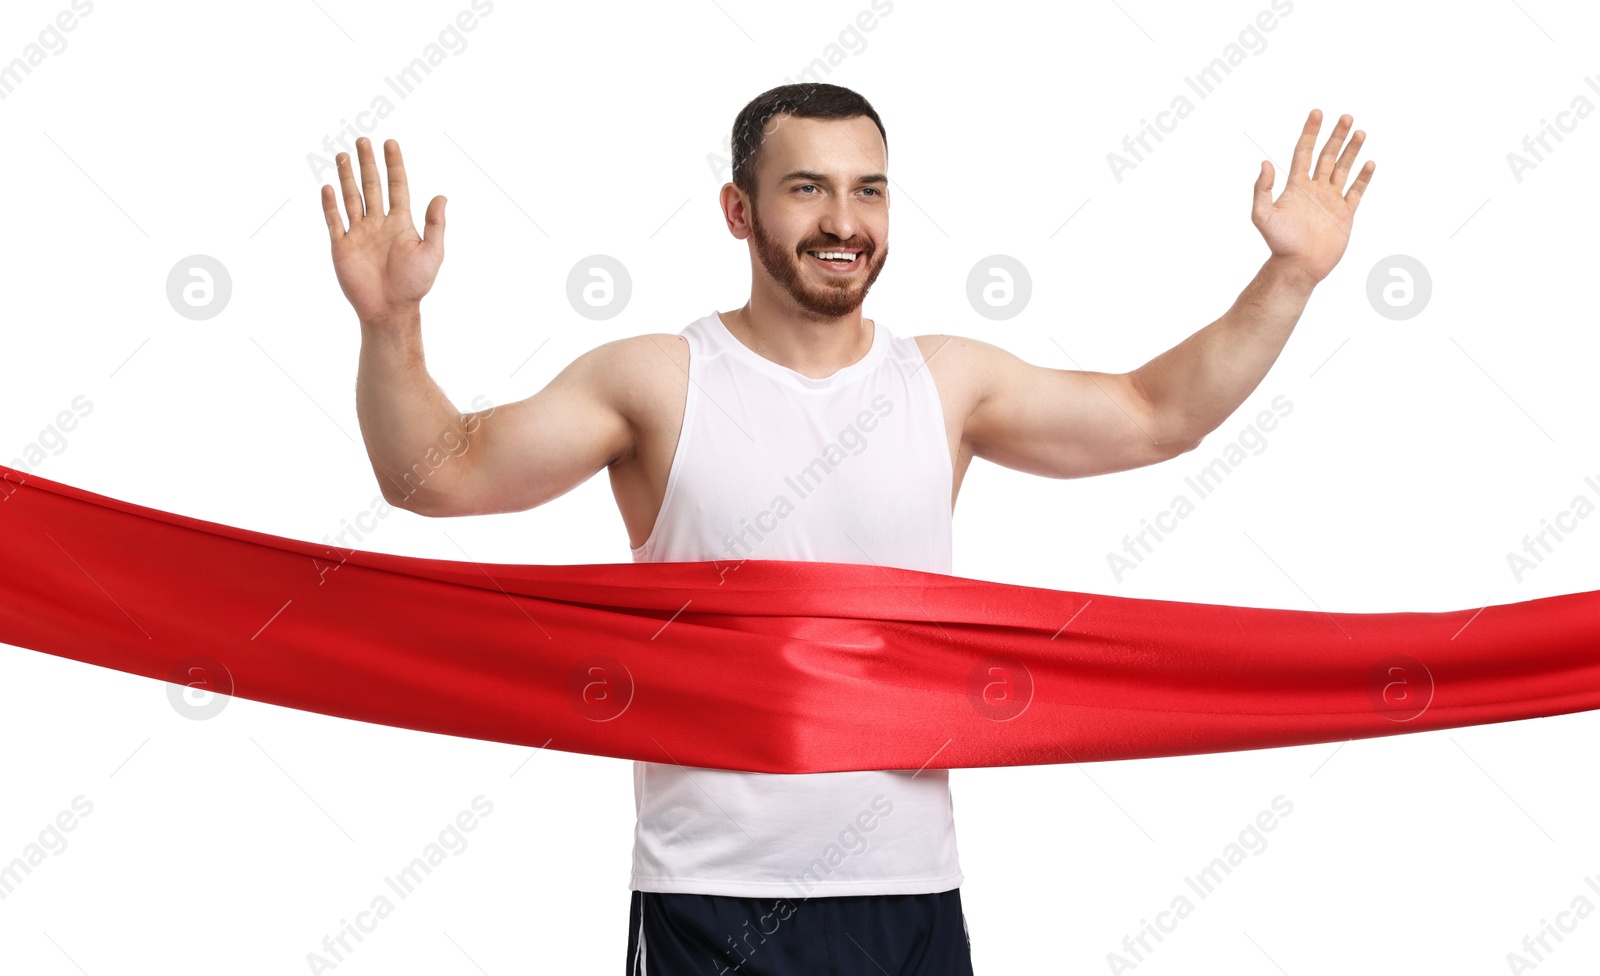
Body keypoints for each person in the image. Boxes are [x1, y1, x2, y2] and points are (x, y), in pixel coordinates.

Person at [319, 82, 1374, 975]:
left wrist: (1288, 277)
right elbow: (440, 476)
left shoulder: (947, 382)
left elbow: (1158, 416)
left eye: (867, 189)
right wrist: (390, 326)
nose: (843, 219)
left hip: (907, 888)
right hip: (711, 896)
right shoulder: (654, 379)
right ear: (739, 211)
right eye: (807, 188)